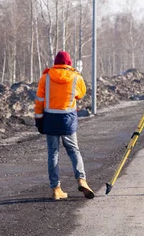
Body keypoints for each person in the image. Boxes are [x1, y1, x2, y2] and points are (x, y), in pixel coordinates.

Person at [34, 51, 95, 200]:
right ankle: (81, 180)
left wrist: (39, 120)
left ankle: (56, 188)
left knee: (53, 153)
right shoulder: (76, 78)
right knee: (74, 150)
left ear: (56, 62)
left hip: (50, 120)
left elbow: (39, 101)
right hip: (67, 119)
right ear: (69, 63)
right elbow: (81, 94)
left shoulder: (46, 77)